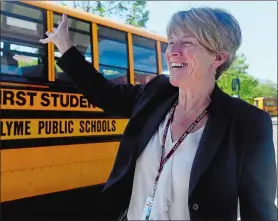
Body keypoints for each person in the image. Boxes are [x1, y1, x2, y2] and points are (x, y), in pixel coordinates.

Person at [39, 7, 277, 221]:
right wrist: (65, 46)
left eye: (188, 43)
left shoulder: (248, 123)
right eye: (171, 41)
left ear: (218, 57)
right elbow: (103, 93)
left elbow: (259, 212)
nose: (172, 51)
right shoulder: (157, 94)